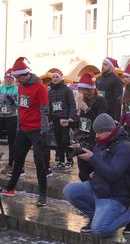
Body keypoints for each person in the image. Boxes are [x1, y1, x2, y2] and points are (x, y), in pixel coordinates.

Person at [63, 113, 130, 236]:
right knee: (69, 190)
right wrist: (80, 156)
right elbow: (86, 173)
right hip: (98, 189)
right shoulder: (101, 142)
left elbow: (113, 173)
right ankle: (94, 216)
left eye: (99, 132)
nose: (97, 136)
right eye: (95, 133)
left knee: (99, 230)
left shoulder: (124, 147)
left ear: (109, 131)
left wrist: (92, 159)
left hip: (114, 196)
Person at [0, 57, 50, 206]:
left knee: (39, 161)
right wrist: (19, 127)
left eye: (17, 77)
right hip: (23, 129)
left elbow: (44, 110)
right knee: (18, 159)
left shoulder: (40, 87)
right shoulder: (21, 86)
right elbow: (22, 108)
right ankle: (10, 187)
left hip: (37, 130)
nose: (15, 80)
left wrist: (43, 130)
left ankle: (43, 194)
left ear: (24, 75)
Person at [74, 72, 107, 182]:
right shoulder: (84, 100)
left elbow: (100, 121)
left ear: (90, 90)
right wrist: (69, 122)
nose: (81, 93)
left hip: (94, 141)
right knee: (82, 173)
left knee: (93, 171)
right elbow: (82, 121)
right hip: (83, 140)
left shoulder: (100, 101)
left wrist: (87, 109)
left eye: (83, 90)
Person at [48, 70, 76, 170]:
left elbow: (72, 104)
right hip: (55, 119)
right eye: (53, 77)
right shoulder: (50, 91)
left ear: (61, 78)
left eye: (57, 77)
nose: (55, 79)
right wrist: (48, 118)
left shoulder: (67, 90)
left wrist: (70, 117)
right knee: (58, 140)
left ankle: (69, 159)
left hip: (65, 118)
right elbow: (50, 106)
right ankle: (60, 160)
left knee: (66, 140)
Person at [0, 69, 18, 174]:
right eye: (6, 78)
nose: (7, 80)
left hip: (11, 117)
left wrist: (13, 101)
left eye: (10, 78)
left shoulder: (16, 89)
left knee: (12, 141)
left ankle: (11, 163)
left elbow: (19, 105)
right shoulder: (1, 88)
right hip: (1, 116)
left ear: (13, 79)